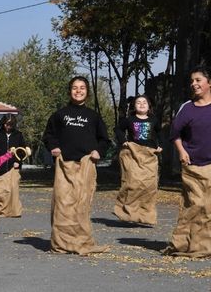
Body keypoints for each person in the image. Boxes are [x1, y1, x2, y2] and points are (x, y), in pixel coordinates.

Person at [43, 76, 110, 255]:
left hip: (86, 166)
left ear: (87, 92)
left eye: (82, 88)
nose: (78, 91)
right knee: (63, 204)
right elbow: (49, 135)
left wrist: (98, 152)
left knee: (82, 205)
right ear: (69, 91)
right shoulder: (60, 115)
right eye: (74, 87)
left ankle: (81, 240)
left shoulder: (93, 116)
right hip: (65, 166)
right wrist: (54, 147)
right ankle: (62, 242)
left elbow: (104, 139)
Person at [164, 65, 211, 258]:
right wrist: (181, 151)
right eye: (192, 81)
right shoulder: (187, 108)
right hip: (192, 165)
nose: (194, 84)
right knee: (196, 204)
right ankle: (183, 243)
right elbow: (175, 134)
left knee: (208, 208)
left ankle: (203, 246)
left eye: (198, 80)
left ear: (209, 83)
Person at [113, 95, 162, 225]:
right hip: (133, 154)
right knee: (133, 183)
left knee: (149, 185)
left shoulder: (154, 120)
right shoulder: (129, 120)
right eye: (138, 102)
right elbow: (117, 129)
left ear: (149, 106)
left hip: (149, 156)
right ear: (134, 106)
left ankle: (146, 215)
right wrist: (123, 141)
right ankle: (128, 212)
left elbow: (160, 133)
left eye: (144, 102)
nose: (141, 104)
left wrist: (160, 145)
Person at [0, 114, 26, 217]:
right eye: (6, 124)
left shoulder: (19, 135)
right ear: (3, 123)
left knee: (14, 190)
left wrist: (19, 161)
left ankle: (14, 212)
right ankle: (1, 211)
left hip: (14, 167)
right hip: (1, 167)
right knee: (2, 190)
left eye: (11, 124)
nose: (8, 126)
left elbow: (23, 151)